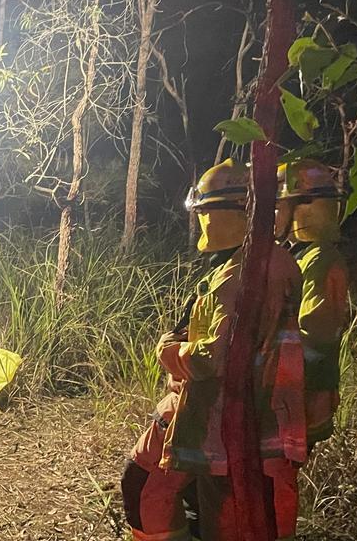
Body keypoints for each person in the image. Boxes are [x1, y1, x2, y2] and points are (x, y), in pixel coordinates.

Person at [123, 159, 307, 541]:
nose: (203, 222)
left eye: (207, 211)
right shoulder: (276, 260)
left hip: (221, 424)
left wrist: (169, 350)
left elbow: (210, 358)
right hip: (255, 423)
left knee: (158, 493)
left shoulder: (242, 273)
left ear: (235, 211)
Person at [276, 159, 349, 446]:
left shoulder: (321, 260)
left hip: (305, 396)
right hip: (291, 394)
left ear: (302, 207)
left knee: (279, 482)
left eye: (278, 206)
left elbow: (314, 339)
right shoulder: (301, 255)